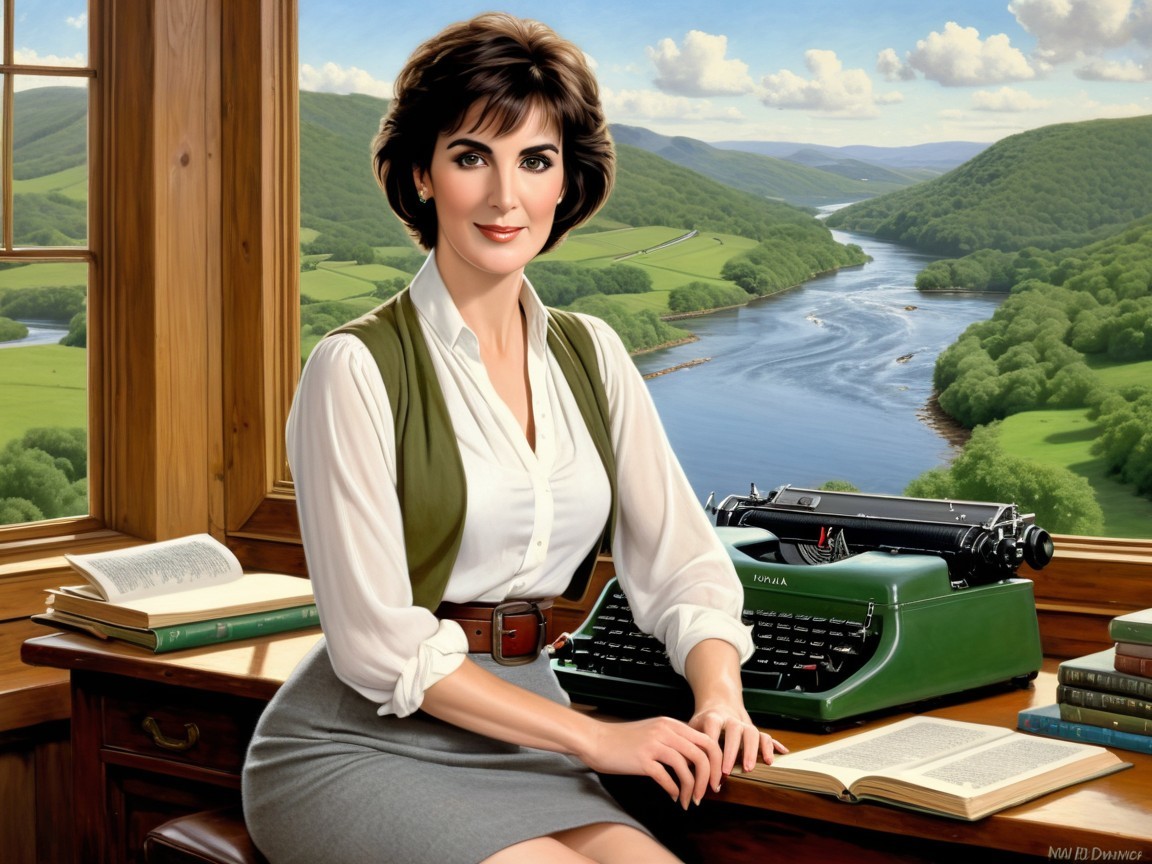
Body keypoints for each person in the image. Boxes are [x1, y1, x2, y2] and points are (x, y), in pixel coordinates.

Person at [242, 12, 786, 864]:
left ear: (566, 181)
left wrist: (721, 697)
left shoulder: (594, 352)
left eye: (535, 160)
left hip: (528, 730)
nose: (505, 197)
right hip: (357, 746)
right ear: (422, 173)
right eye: (472, 157)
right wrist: (597, 740)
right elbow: (379, 648)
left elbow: (682, 565)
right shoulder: (353, 368)